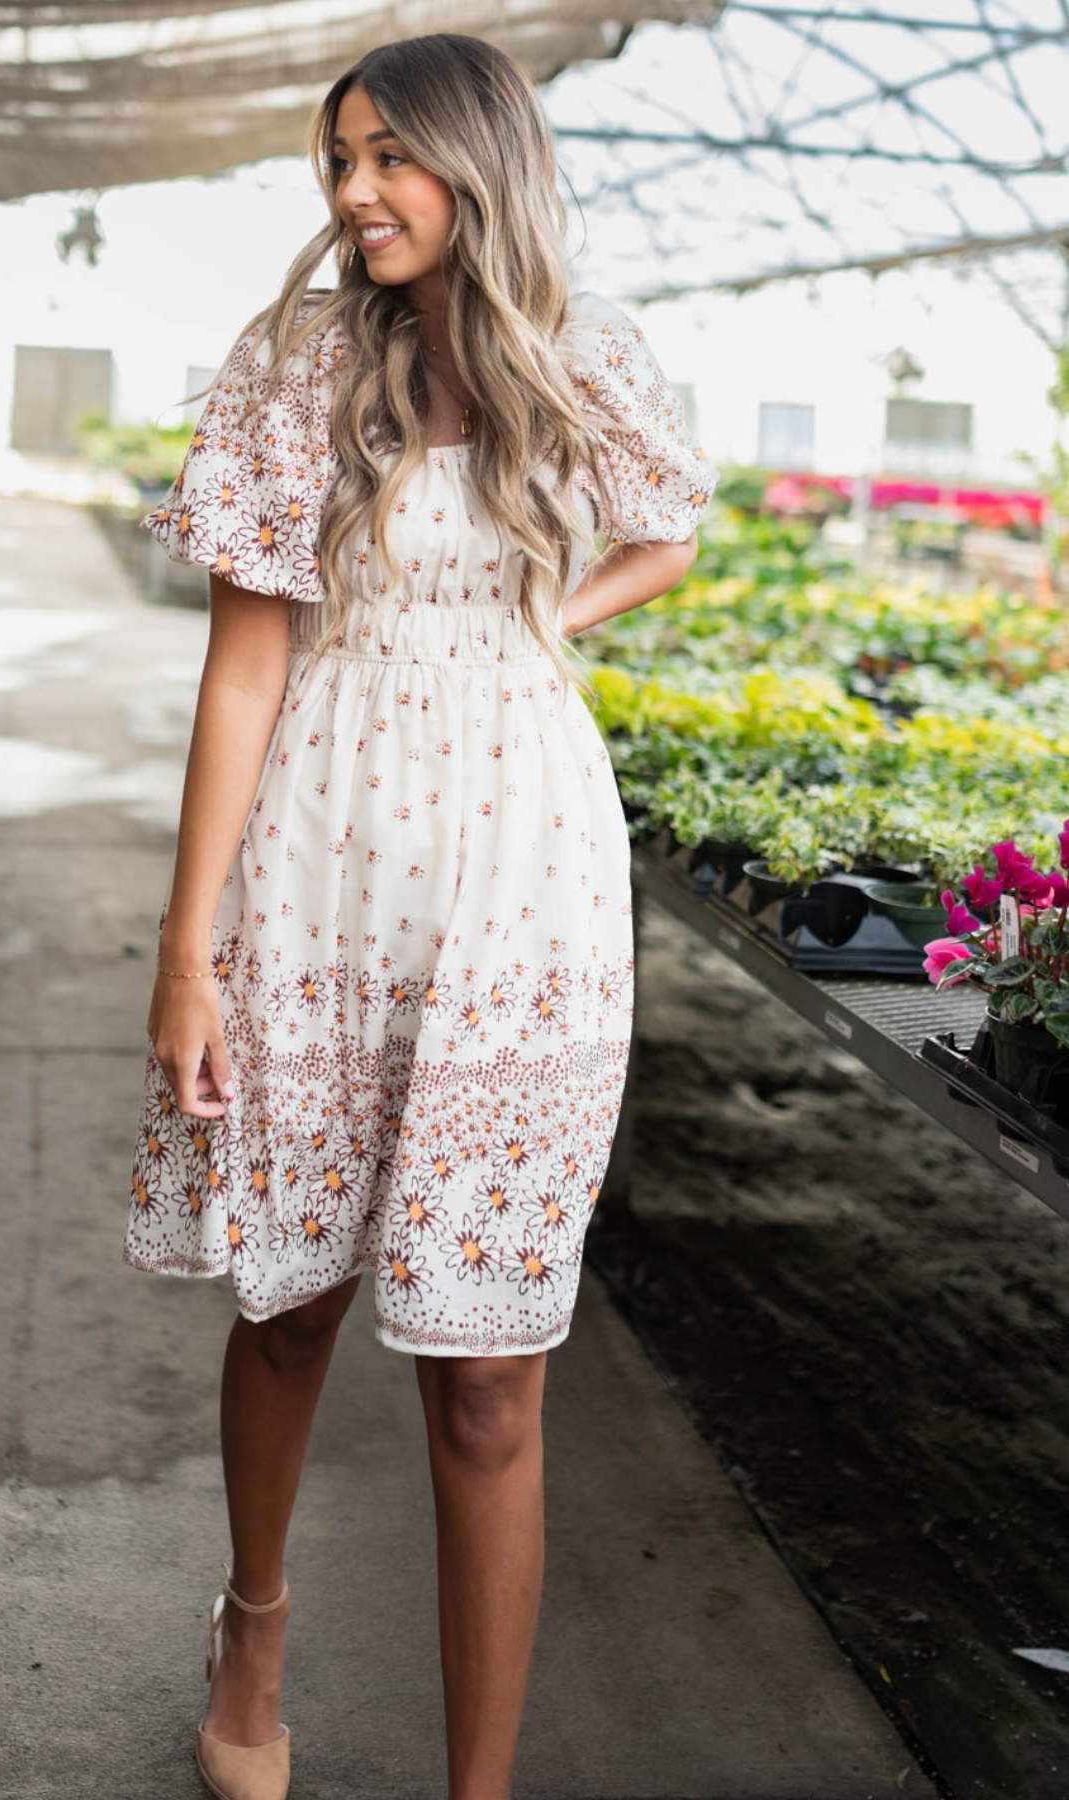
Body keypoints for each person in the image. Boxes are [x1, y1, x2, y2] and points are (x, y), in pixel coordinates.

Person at [124, 30, 718, 1800]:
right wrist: (185, 954)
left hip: (527, 879)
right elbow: (241, 675)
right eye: (337, 159)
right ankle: (255, 1624)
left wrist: (548, 628)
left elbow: (673, 526)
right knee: (286, 1298)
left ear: (480, 161)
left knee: (489, 1372)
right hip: (318, 855)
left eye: (389, 155)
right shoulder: (296, 367)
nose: (355, 189)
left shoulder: (584, 349)